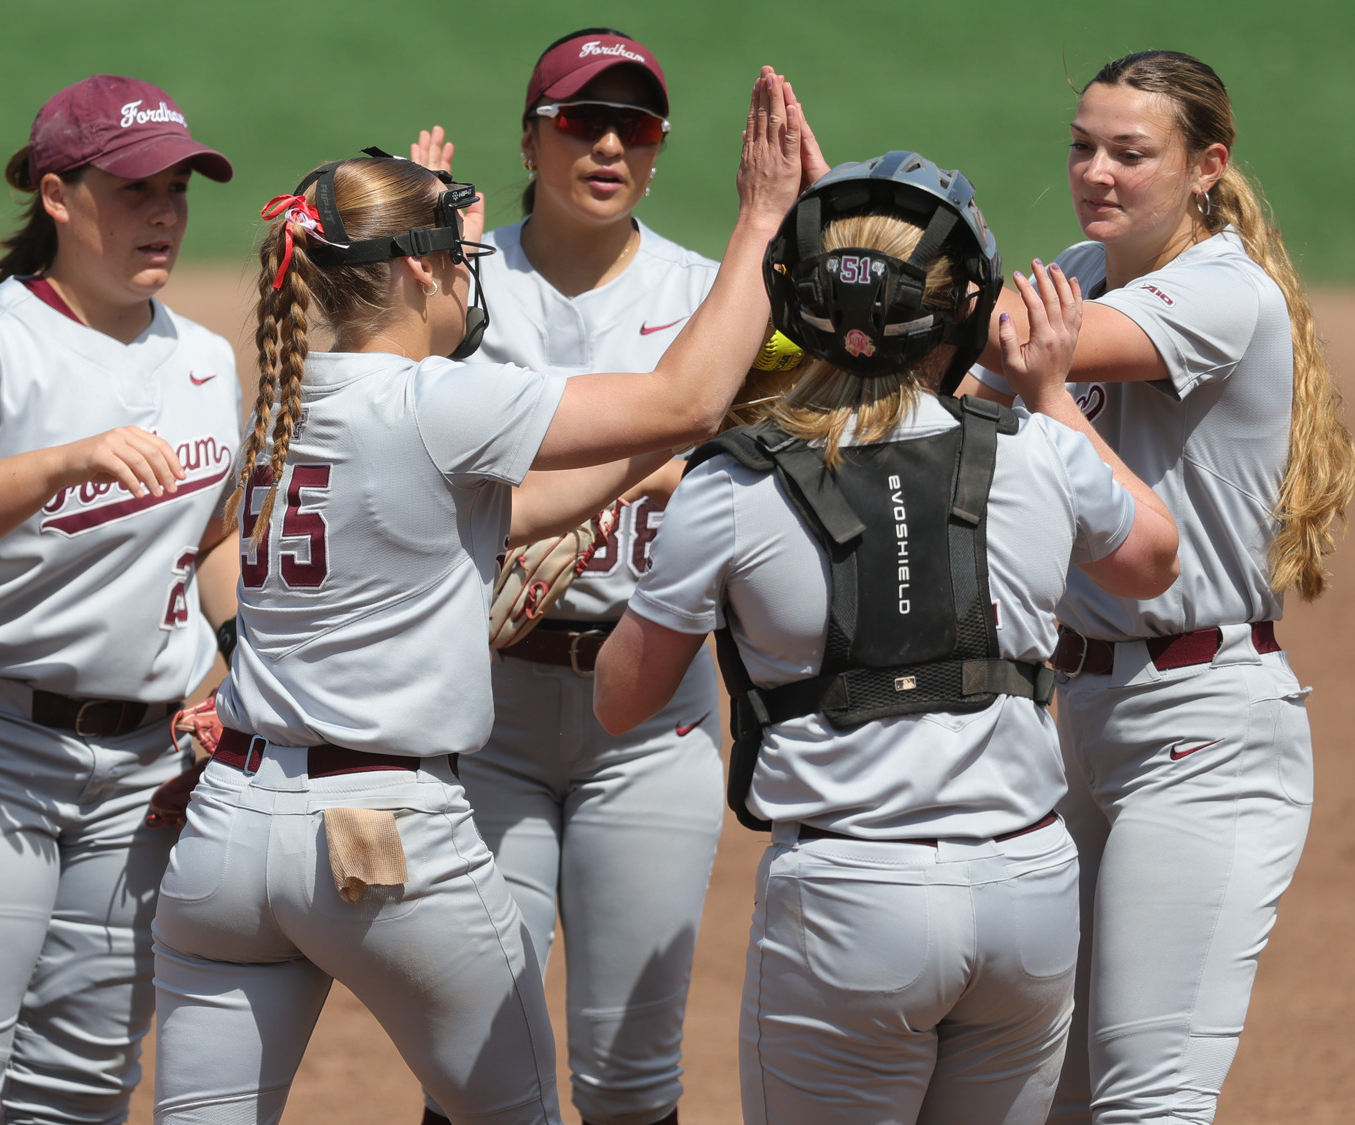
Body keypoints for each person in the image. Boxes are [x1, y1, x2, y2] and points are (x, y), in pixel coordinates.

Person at [148, 67, 814, 1125]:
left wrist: (638, 469)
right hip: (381, 835)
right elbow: (685, 398)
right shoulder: (433, 400)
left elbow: (512, 507)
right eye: (458, 262)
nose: (474, 279)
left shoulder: (281, 400)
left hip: (226, 831)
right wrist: (761, 218)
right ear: (416, 272)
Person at [593, 151, 1182, 1124]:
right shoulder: (1034, 448)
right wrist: (1043, 395)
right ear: (961, 305)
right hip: (1027, 891)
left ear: (795, 297)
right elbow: (1150, 559)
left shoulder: (731, 484)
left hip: (847, 899)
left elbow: (621, 700)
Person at [961, 50, 1355, 1124]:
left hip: (1201, 730)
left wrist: (870, 252)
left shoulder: (1224, 293)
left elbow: (1008, 348)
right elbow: (951, 386)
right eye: (1082, 147)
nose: (1095, 171)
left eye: (1129, 153)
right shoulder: (1076, 273)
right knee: (1052, 1099)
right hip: (1069, 719)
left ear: (1203, 167)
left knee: (1148, 1101)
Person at [0, 74, 242, 1125]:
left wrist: (242, 660)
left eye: (176, 189)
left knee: (76, 1088)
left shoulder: (203, 360)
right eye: (133, 190)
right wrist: (60, 465)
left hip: (138, 773)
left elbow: (209, 535)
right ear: (58, 197)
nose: (163, 213)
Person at [405, 28, 726, 1125]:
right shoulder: (459, 283)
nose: (605, 145)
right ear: (529, 138)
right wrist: (408, 265)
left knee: (628, 1073)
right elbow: (368, 418)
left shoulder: (705, 292)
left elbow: (781, 446)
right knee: (476, 1052)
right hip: (479, 711)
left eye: (632, 126)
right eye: (578, 121)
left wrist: (631, 484)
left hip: (653, 709)